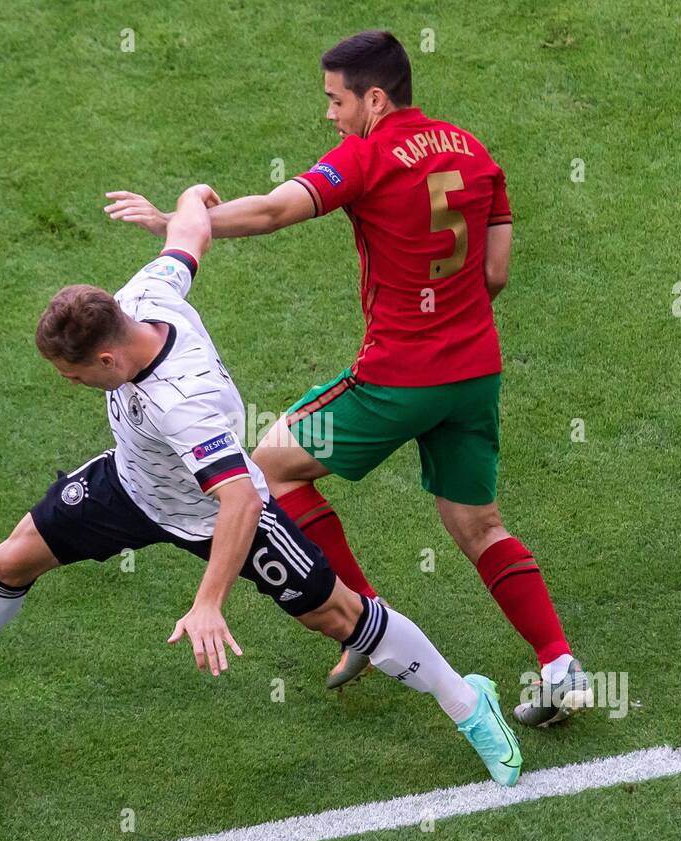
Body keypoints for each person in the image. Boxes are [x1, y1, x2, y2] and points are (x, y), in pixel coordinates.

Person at [0, 183, 523, 785]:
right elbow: (191, 234)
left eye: (73, 374)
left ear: (107, 360)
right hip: (134, 486)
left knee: (341, 616)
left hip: (221, 515)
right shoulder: (144, 294)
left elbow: (239, 498)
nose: (69, 383)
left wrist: (208, 602)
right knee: (8, 561)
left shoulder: (181, 405)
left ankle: (470, 704)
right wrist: (189, 197)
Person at [105, 31, 592, 727]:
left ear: (374, 96)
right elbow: (495, 274)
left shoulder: (368, 155)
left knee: (265, 466)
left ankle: (363, 621)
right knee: (480, 527)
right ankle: (557, 662)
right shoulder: (475, 152)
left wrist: (182, 221)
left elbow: (274, 210)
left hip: (394, 380)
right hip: (475, 374)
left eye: (336, 100)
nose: (330, 116)